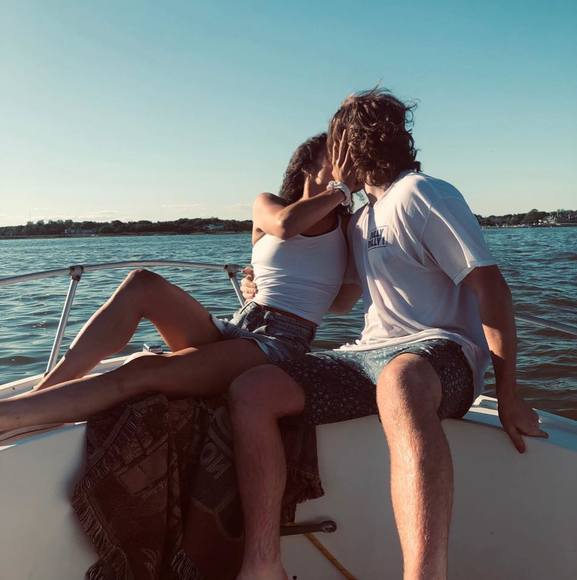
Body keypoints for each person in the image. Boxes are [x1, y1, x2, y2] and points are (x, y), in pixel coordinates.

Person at [228, 89, 548, 580]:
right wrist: (259, 283)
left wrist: (508, 394)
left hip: (441, 355)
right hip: (370, 356)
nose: (331, 158)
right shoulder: (358, 220)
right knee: (253, 389)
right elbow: (337, 300)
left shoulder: (423, 194)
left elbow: (492, 290)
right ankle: (263, 565)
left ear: (351, 145)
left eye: (335, 143)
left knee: (400, 381)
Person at [0, 133, 361, 434]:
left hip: (279, 345)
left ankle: (9, 417)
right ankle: (44, 391)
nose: (348, 162)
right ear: (308, 165)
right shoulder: (269, 204)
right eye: (338, 155)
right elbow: (284, 226)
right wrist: (254, 281)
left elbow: (341, 304)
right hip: (240, 326)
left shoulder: (346, 228)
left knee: (144, 370)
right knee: (142, 283)